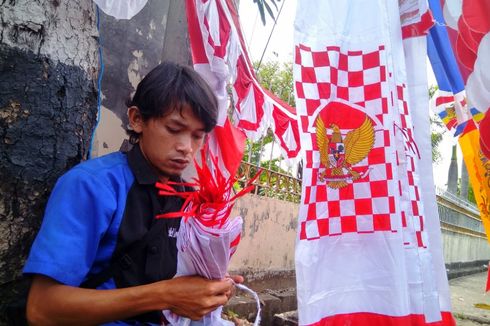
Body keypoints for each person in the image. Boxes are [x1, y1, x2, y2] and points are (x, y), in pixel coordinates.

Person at [23, 62, 243, 325]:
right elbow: (42, 308)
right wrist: (164, 295)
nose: (186, 147)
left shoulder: (189, 200)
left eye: (198, 136)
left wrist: (209, 290)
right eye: (174, 129)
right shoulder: (93, 186)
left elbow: (182, 282)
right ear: (137, 119)